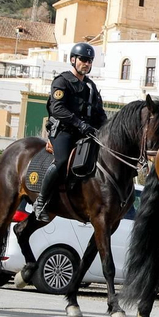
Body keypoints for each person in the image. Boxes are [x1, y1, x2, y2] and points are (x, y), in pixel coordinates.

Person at [32, 42, 107, 220]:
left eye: (90, 61)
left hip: (86, 132)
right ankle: (41, 202)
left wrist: (106, 128)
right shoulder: (62, 81)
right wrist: (80, 124)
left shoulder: (91, 86)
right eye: (83, 60)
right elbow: (57, 109)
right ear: (73, 60)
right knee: (62, 161)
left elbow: (99, 112)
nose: (87, 64)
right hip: (64, 131)